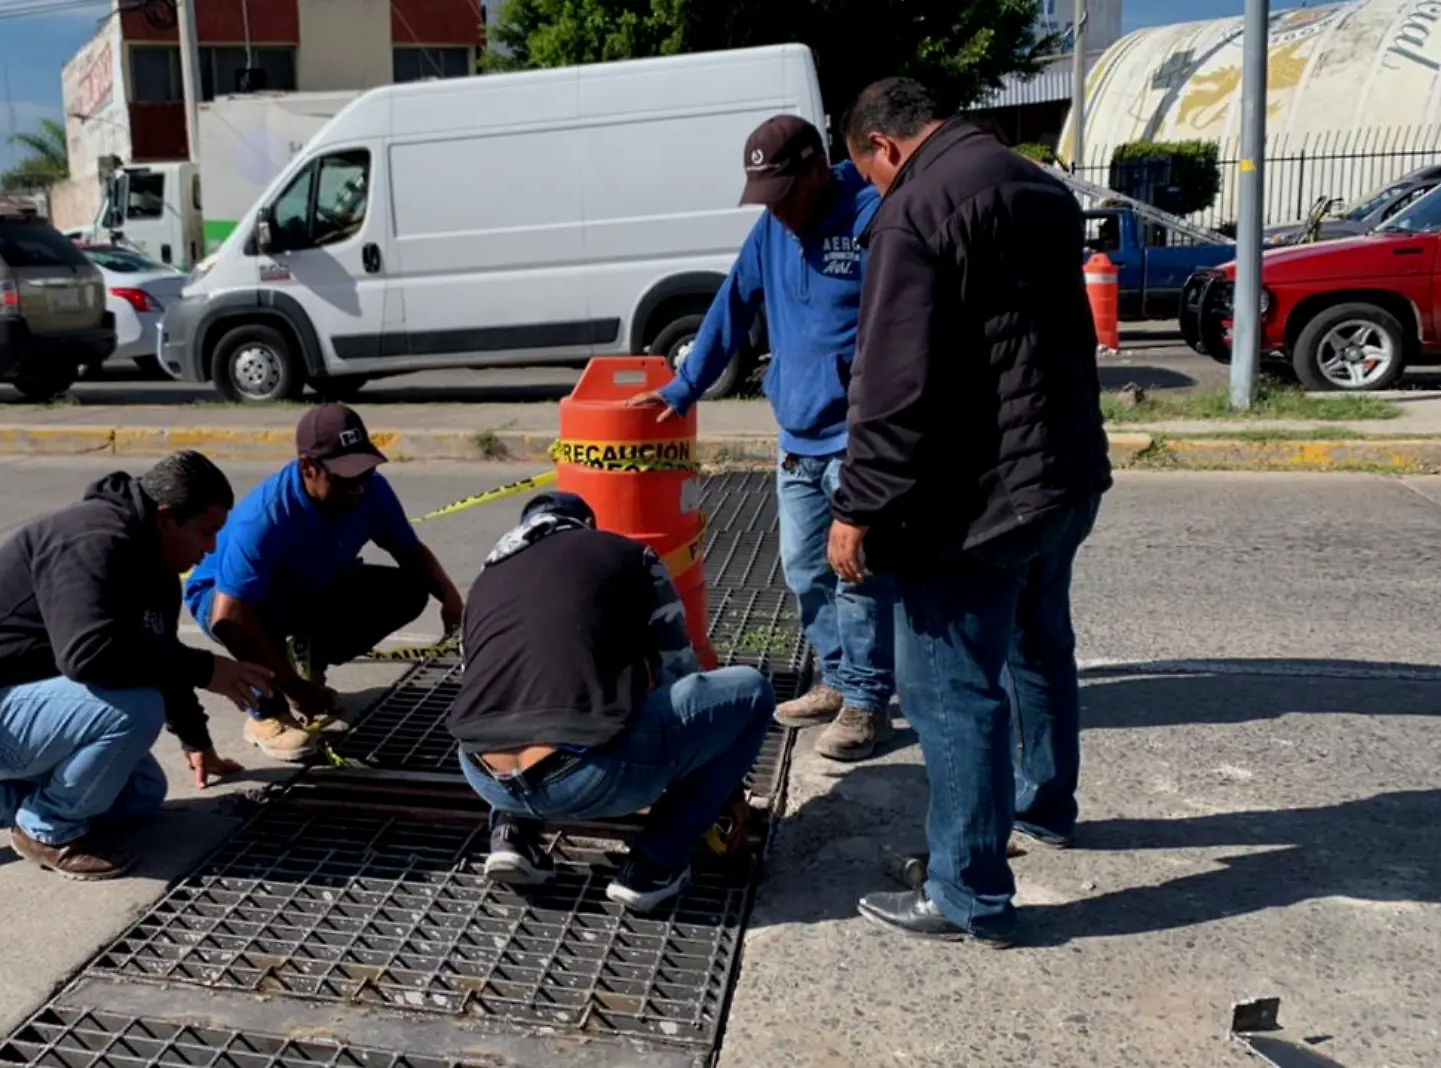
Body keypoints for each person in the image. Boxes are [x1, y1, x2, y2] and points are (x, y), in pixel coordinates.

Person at [830, 78, 1112, 946]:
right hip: (1064, 472)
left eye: (870, 176)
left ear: (883, 146)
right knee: (1039, 647)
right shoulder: (1039, 186)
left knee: (949, 692)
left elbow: (892, 381)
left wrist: (858, 507)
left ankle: (968, 893)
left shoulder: (913, 211)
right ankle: (1045, 807)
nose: (875, 191)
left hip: (977, 499)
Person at [628, 114, 898, 763]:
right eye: (764, 197)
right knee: (804, 568)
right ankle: (836, 679)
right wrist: (684, 385)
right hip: (797, 436)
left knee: (856, 575)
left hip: (856, 437)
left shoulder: (871, 216)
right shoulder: (772, 231)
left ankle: (866, 702)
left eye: (783, 194)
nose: (775, 211)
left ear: (815, 171)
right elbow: (731, 306)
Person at [0, 451, 275, 881]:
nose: (210, 547)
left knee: (141, 793)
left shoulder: (155, 564)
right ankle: (45, 831)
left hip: (23, 707)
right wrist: (208, 669)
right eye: (205, 532)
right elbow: (88, 654)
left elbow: (158, 657)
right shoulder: (92, 539)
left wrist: (198, 744)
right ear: (165, 517)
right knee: (135, 711)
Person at [448, 491, 778, 913]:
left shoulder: (485, 580)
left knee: (518, 696)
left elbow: (476, 681)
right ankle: (654, 865)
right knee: (750, 691)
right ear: (587, 525)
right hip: (591, 776)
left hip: (484, 777)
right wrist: (724, 790)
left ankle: (511, 837)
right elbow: (679, 671)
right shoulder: (627, 555)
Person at [186, 403, 463, 762]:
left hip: (309, 583)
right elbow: (229, 619)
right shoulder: (265, 518)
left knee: (409, 590)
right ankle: (266, 713)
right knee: (262, 611)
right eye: (344, 479)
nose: (358, 489)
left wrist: (451, 600)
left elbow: (410, 551)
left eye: (363, 475)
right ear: (308, 468)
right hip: (228, 601)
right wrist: (295, 691)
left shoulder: (370, 491)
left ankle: (309, 658)